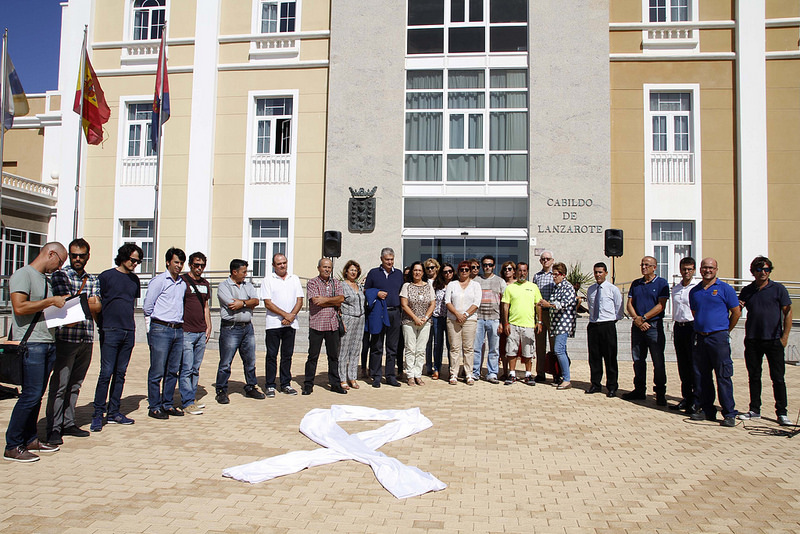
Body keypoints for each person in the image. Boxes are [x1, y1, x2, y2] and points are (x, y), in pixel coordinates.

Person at [3, 243, 67, 462]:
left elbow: (41, 309)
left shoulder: (45, 280)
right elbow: (20, 307)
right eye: (60, 262)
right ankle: (12, 445)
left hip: (47, 342)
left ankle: (30, 439)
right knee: (29, 396)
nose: (59, 268)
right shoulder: (23, 274)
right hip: (32, 344)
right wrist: (51, 301)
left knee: (37, 395)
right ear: (51, 254)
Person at [46, 238, 101, 445]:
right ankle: (53, 427)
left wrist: (80, 302)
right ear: (69, 255)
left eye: (82, 255)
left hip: (86, 337)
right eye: (74, 255)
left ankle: (68, 423)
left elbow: (96, 307)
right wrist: (85, 302)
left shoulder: (93, 279)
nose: (78, 259)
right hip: (65, 338)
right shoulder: (60, 275)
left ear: (88, 256)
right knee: (60, 385)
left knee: (76, 384)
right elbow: (64, 304)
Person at [92, 243, 142, 432]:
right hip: (110, 330)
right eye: (132, 260)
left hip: (128, 330)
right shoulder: (106, 276)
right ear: (123, 256)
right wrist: (101, 325)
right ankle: (98, 413)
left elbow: (130, 304)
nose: (134, 264)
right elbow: (96, 304)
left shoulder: (134, 280)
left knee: (120, 373)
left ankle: (114, 411)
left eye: (137, 261)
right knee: (106, 373)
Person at [737, 256, 793, 425]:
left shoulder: (778, 289)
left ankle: (782, 412)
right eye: (759, 270)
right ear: (753, 272)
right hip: (753, 339)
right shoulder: (747, 290)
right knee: (754, 376)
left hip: (774, 339)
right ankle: (754, 409)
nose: (763, 273)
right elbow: (737, 309)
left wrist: (784, 337)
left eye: (767, 270)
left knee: (778, 378)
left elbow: (787, 312)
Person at [689, 258, 741, 427]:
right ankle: (707, 409)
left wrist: (725, 330)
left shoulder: (725, 289)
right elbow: (695, 312)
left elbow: (736, 312)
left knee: (723, 375)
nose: (707, 270)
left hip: (718, 338)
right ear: (700, 269)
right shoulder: (695, 291)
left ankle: (729, 413)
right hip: (701, 337)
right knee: (703, 375)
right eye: (704, 268)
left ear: (716, 269)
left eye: (710, 267)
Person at [143, 247, 186, 420]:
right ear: (168, 262)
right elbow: (147, 306)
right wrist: (153, 325)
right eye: (176, 262)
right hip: (161, 328)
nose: (179, 266)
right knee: (157, 370)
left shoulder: (182, 283)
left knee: (172, 370)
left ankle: (167, 403)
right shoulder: (159, 281)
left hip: (177, 329)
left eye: (181, 263)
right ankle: (154, 406)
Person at [214, 259, 265, 403]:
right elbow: (231, 304)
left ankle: (250, 386)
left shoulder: (247, 285)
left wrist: (242, 303)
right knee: (226, 362)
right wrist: (247, 303)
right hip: (230, 328)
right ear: (234, 272)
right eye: (243, 272)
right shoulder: (223, 286)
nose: (245, 274)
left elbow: (256, 301)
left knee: (250, 361)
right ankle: (222, 390)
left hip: (247, 327)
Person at [624, 256, 669, 405]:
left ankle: (660, 392)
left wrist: (643, 318)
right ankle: (639, 389)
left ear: (654, 267)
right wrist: (637, 319)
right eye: (642, 264)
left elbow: (660, 305)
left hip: (653, 327)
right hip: (638, 327)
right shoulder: (636, 284)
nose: (643, 267)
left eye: (647, 265)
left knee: (658, 361)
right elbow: (629, 304)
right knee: (638, 360)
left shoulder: (662, 283)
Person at [259, 253, 303, 397]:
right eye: (279, 264)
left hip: (290, 324)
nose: (282, 265)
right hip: (273, 324)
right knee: (272, 355)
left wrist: (291, 317)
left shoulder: (294, 279)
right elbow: (268, 303)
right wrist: (286, 315)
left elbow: (299, 300)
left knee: (287, 355)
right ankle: (270, 385)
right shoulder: (268, 280)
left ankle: (285, 383)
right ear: (273, 265)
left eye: (284, 262)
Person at [303, 258, 346, 395]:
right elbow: (316, 301)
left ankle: (335, 383)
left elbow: (341, 299)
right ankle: (308, 384)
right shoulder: (312, 282)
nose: (327, 269)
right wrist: (332, 301)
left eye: (329, 267)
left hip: (333, 324)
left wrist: (325, 300)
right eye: (324, 267)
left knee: (333, 357)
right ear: (319, 268)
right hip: (317, 324)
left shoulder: (336, 283)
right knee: (312, 356)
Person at [364, 247, 404, 388]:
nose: (390, 262)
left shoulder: (399, 274)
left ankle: (390, 376)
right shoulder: (374, 273)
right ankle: (376, 376)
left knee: (392, 347)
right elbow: (366, 290)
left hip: (394, 313)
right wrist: (377, 293)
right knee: (377, 346)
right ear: (381, 259)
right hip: (379, 313)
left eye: (392, 259)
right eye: (387, 259)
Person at [179, 252, 212, 415]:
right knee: (186, 367)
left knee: (195, 368)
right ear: (190, 265)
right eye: (196, 265)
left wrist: (209, 325)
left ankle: (191, 398)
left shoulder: (205, 284)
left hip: (200, 331)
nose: (199, 268)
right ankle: (186, 401)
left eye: (202, 265)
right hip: (186, 331)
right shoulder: (183, 281)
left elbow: (206, 306)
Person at [585, 262, 623, 397]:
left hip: (607, 325)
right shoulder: (591, 289)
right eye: (596, 272)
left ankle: (612, 386)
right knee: (594, 357)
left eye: (600, 272)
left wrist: (612, 320)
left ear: (606, 273)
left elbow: (619, 308)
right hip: (594, 325)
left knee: (610, 357)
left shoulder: (613, 289)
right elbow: (590, 306)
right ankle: (595, 384)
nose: (598, 275)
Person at [501, 262, 542, 386]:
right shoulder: (510, 288)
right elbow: (505, 306)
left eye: (524, 271)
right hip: (513, 324)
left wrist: (539, 321)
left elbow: (538, 305)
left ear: (527, 272)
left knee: (528, 351)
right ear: (516, 272)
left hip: (529, 325)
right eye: (519, 271)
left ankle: (528, 375)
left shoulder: (533, 287)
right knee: (511, 351)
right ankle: (512, 374)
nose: (522, 273)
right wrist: (506, 323)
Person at [538, 262, 576, 390]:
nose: (553, 277)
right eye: (553, 274)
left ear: (563, 275)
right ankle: (561, 377)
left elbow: (564, 304)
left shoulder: (567, 287)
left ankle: (566, 379)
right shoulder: (557, 287)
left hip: (563, 324)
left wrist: (548, 304)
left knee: (559, 350)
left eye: (556, 274)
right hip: (556, 323)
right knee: (559, 350)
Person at [445, 261, 482, 385]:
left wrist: (465, 315)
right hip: (453, 319)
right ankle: (453, 374)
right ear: (458, 271)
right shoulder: (452, 284)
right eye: (462, 269)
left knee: (468, 348)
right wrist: (457, 314)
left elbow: (476, 303)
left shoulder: (475, 285)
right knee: (454, 348)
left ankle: (469, 374)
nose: (464, 272)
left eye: (467, 269)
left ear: (470, 271)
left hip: (470, 320)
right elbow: (447, 301)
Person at [669, 257, 697, 412]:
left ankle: (696, 400)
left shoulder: (697, 288)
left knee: (694, 365)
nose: (686, 272)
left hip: (692, 327)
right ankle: (686, 397)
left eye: (689, 269)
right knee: (683, 365)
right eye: (684, 269)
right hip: (679, 327)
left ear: (694, 270)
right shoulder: (676, 288)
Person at [400, 261, 435, 386]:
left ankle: (418, 374)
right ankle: (410, 375)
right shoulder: (406, 286)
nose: (417, 272)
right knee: (410, 348)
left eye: (420, 270)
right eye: (415, 270)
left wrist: (425, 318)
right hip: (409, 321)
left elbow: (432, 303)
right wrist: (415, 318)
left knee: (420, 350)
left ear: (423, 272)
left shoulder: (428, 286)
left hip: (425, 322)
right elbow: (404, 304)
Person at [472, 255, 505, 384]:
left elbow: (504, 303)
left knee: (494, 348)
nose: (487, 267)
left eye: (490, 265)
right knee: (476, 347)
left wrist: (502, 321)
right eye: (485, 265)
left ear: (494, 266)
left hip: (494, 319)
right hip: (478, 318)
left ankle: (492, 373)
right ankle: (475, 372)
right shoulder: (476, 280)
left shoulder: (500, 281)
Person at [338, 260, 365, 390]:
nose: (353, 272)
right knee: (344, 350)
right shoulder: (342, 285)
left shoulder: (359, 286)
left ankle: (352, 377)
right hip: (348, 318)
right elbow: (338, 304)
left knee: (355, 349)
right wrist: (341, 319)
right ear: (346, 272)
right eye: (351, 270)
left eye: (355, 270)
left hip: (360, 319)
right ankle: (342, 378)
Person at [426, 262, 453, 380]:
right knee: (437, 344)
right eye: (445, 272)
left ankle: (452, 369)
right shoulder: (437, 285)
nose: (447, 274)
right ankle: (436, 368)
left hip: (450, 318)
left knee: (451, 344)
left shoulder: (456, 285)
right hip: (437, 317)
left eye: (450, 271)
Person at [533, 251, 556, 383]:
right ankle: (540, 373)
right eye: (543, 259)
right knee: (540, 345)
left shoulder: (555, 275)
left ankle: (555, 373)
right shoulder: (537, 276)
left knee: (554, 346)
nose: (545, 261)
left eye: (548, 259)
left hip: (553, 314)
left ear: (552, 260)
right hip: (540, 313)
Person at [498, 260, 517, 379]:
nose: (507, 271)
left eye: (509, 269)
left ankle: (513, 371)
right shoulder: (500, 283)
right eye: (505, 269)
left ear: (514, 271)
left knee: (514, 347)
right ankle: (505, 372)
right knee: (503, 346)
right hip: (502, 317)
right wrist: (501, 321)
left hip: (516, 318)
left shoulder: (518, 284)